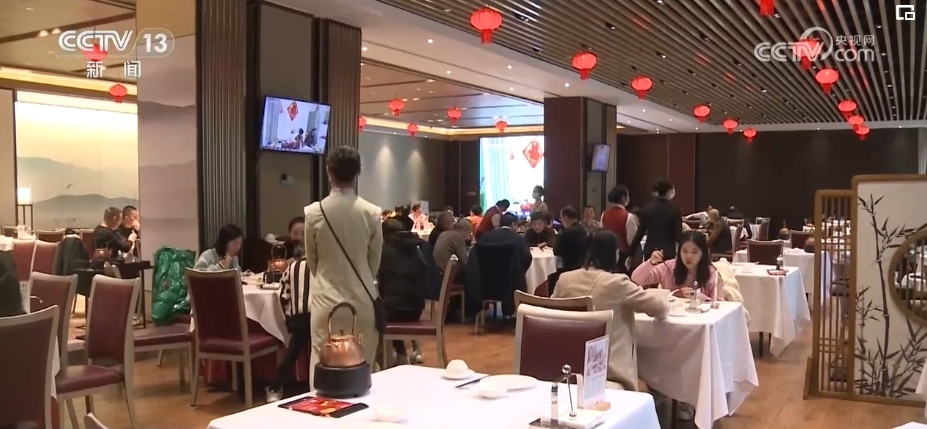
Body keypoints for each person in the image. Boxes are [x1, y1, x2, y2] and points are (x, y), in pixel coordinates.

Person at [304, 146, 382, 390]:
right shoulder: (372, 213)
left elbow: (312, 261)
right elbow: (374, 262)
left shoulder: (313, 213)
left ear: (329, 172)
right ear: (357, 173)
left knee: (320, 365)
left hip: (325, 300)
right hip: (363, 300)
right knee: (363, 368)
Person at [552, 230, 669, 391]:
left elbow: (551, 313)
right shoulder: (617, 284)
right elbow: (659, 308)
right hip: (609, 371)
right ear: (614, 254)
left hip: (569, 365)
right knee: (655, 382)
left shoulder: (565, 280)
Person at [377, 219, 426, 366]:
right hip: (417, 308)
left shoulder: (384, 251)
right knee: (391, 304)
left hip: (395, 310)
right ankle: (404, 353)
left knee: (374, 312)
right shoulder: (416, 248)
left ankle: (382, 359)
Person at [267, 257, 312, 399]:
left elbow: (283, 296)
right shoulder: (323, 266)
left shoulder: (292, 268)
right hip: (320, 316)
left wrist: (289, 317)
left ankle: (274, 388)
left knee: (292, 353)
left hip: (298, 319)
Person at [631, 231, 720, 301]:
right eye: (685, 251)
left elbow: (720, 305)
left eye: (694, 252)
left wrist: (701, 298)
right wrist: (650, 263)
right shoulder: (669, 267)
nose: (689, 256)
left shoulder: (711, 272)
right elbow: (636, 279)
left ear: (703, 253)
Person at [630, 178, 683, 261]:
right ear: (670, 191)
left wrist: (631, 253)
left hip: (650, 250)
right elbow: (678, 236)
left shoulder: (647, 208)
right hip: (667, 252)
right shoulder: (675, 210)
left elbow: (640, 233)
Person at [601, 186, 638, 272]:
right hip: (623, 256)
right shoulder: (628, 216)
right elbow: (632, 241)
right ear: (624, 198)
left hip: (607, 253)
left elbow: (601, 233)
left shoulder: (604, 214)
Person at [434, 219, 471, 284]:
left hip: (435, 271)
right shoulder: (458, 237)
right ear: (465, 229)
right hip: (445, 275)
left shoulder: (444, 233)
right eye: (469, 232)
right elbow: (465, 261)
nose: (470, 235)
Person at [554, 206, 588, 273]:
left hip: (568, 268)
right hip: (582, 267)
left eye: (561, 218)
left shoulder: (566, 233)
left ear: (566, 217)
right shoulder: (583, 230)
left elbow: (556, 251)